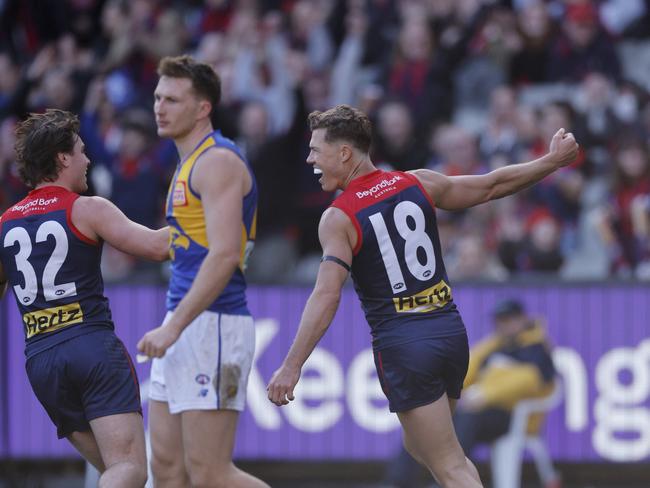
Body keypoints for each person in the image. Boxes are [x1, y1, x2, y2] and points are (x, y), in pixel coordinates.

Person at [266, 105, 578, 488]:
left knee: (448, 465)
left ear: (344, 153)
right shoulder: (418, 182)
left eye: (316, 149)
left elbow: (326, 295)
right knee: (427, 450)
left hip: (405, 344)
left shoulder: (339, 217)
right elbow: (493, 185)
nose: (310, 158)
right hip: (449, 332)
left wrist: (292, 365)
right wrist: (552, 161)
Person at [0, 109, 170, 487]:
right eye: (80, 151)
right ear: (62, 158)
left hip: (41, 361)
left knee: (115, 473)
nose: (88, 159)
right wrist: (214, 219)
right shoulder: (87, 208)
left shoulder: (5, 222)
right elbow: (159, 247)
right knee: (129, 470)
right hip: (90, 348)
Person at [136, 55, 268, 488]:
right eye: (158, 97)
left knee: (210, 474)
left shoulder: (217, 162)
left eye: (172, 99)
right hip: (186, 323)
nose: (159, 107)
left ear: (203, 108)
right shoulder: (188, 162)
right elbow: (178, 245)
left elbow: (226, 254)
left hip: (212, 326)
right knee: (168, 472)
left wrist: (172, 328)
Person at [384, 299, 558, 488]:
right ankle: (396, 483)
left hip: (514, 417)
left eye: (509, 319)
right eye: (500, 320)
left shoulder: (537, 347)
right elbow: (465, 371)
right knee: (425, 418)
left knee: (467, 417)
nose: (503, 325)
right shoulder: (494, 346)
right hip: (481, 409)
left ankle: (449, 482)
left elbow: (531, 381)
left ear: (523, 320)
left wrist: (485, 394)